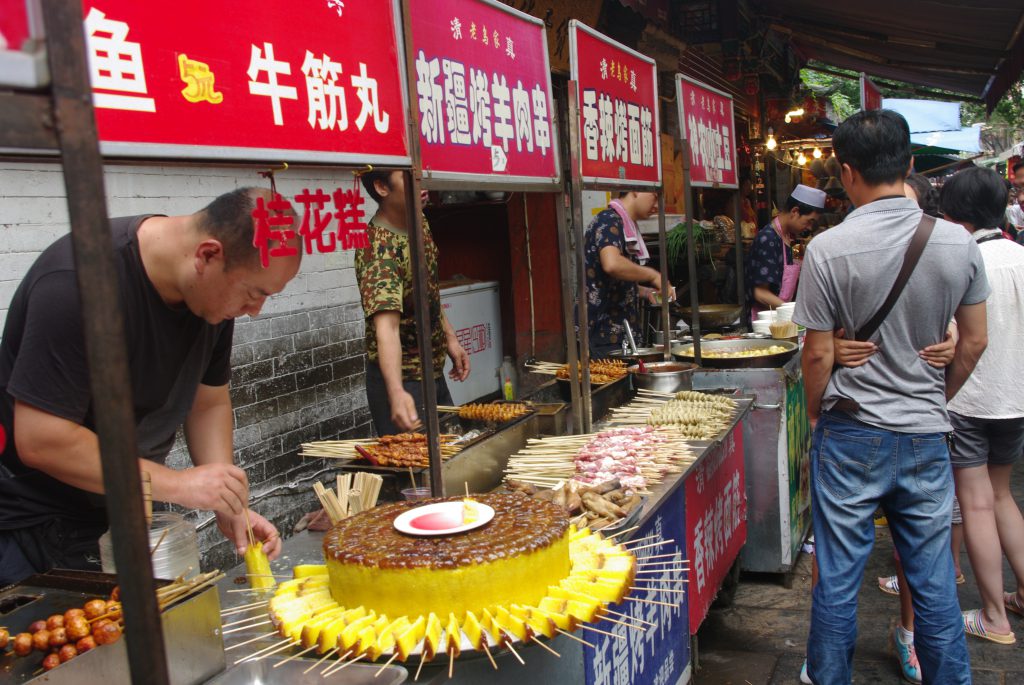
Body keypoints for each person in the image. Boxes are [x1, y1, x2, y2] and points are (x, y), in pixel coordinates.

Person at [0, 187, 298, 585]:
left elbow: (207, 403)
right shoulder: (78, 283)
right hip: (36, 519)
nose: (254, 311)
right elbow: (42, 439)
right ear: (207, 255)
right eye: (253, 293)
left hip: (130, 501)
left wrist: (224, 495)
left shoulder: (211, 300)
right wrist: (178, 484)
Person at [794, 109, 989, 684]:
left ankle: (829, 676)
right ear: (907, 165)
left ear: (847, 172)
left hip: (850, 431)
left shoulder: (828, 249)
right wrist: (935, 395)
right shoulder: (957, 243)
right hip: (926, 433)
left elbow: (817, 354)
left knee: (838, 578)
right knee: (932, 580)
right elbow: (974, 342)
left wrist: (814, 410)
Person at [829, 171, 960, 684]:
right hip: (867, 425)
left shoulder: (946, 247)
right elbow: (817, 339)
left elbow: (964, 336)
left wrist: (944, 362)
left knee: (924, 572)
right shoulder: (840, 248)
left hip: (893, 429)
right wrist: (834, 351)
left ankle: (904, 638)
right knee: (843, 568)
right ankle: (827, 660)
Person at [939, 167, 1024, 646]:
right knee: (1002, 495)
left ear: (957, 215)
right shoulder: (1020, 254)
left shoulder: (966, 260)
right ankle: (1022, 595)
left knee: (975, 502)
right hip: (1015, 395)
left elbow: (957, 339)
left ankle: (994, 615)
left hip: (969, 396)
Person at [355, 170, 469, 436]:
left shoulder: (419, 221)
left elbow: (426, 289)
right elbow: (387, 329)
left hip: (431, 370)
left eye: (418, 176)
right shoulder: (378, 250)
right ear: (382, 187)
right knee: (418, 473)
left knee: (452, 453)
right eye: (407, 178)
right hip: (403, 380)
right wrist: (396, 393)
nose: (421, 185)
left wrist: (450, 338)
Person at [583, 191, 673, 358]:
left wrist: (645, 292)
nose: (657, 206)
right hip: (603, 336)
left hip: (618, 335)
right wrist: (652, 275)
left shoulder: (623, 223)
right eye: (655, 196)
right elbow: (612, 264)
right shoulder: (609, 220)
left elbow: (613, 280)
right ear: (635, 190)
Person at [744, 184, 825, 322]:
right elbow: (760, 293)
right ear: (795, 211)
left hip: (785, 317)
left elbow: (799, 276)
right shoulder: (768, 238)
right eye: (809, 221)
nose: (810, 227)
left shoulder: (795, 241)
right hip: (765, 319)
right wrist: (794, 311)